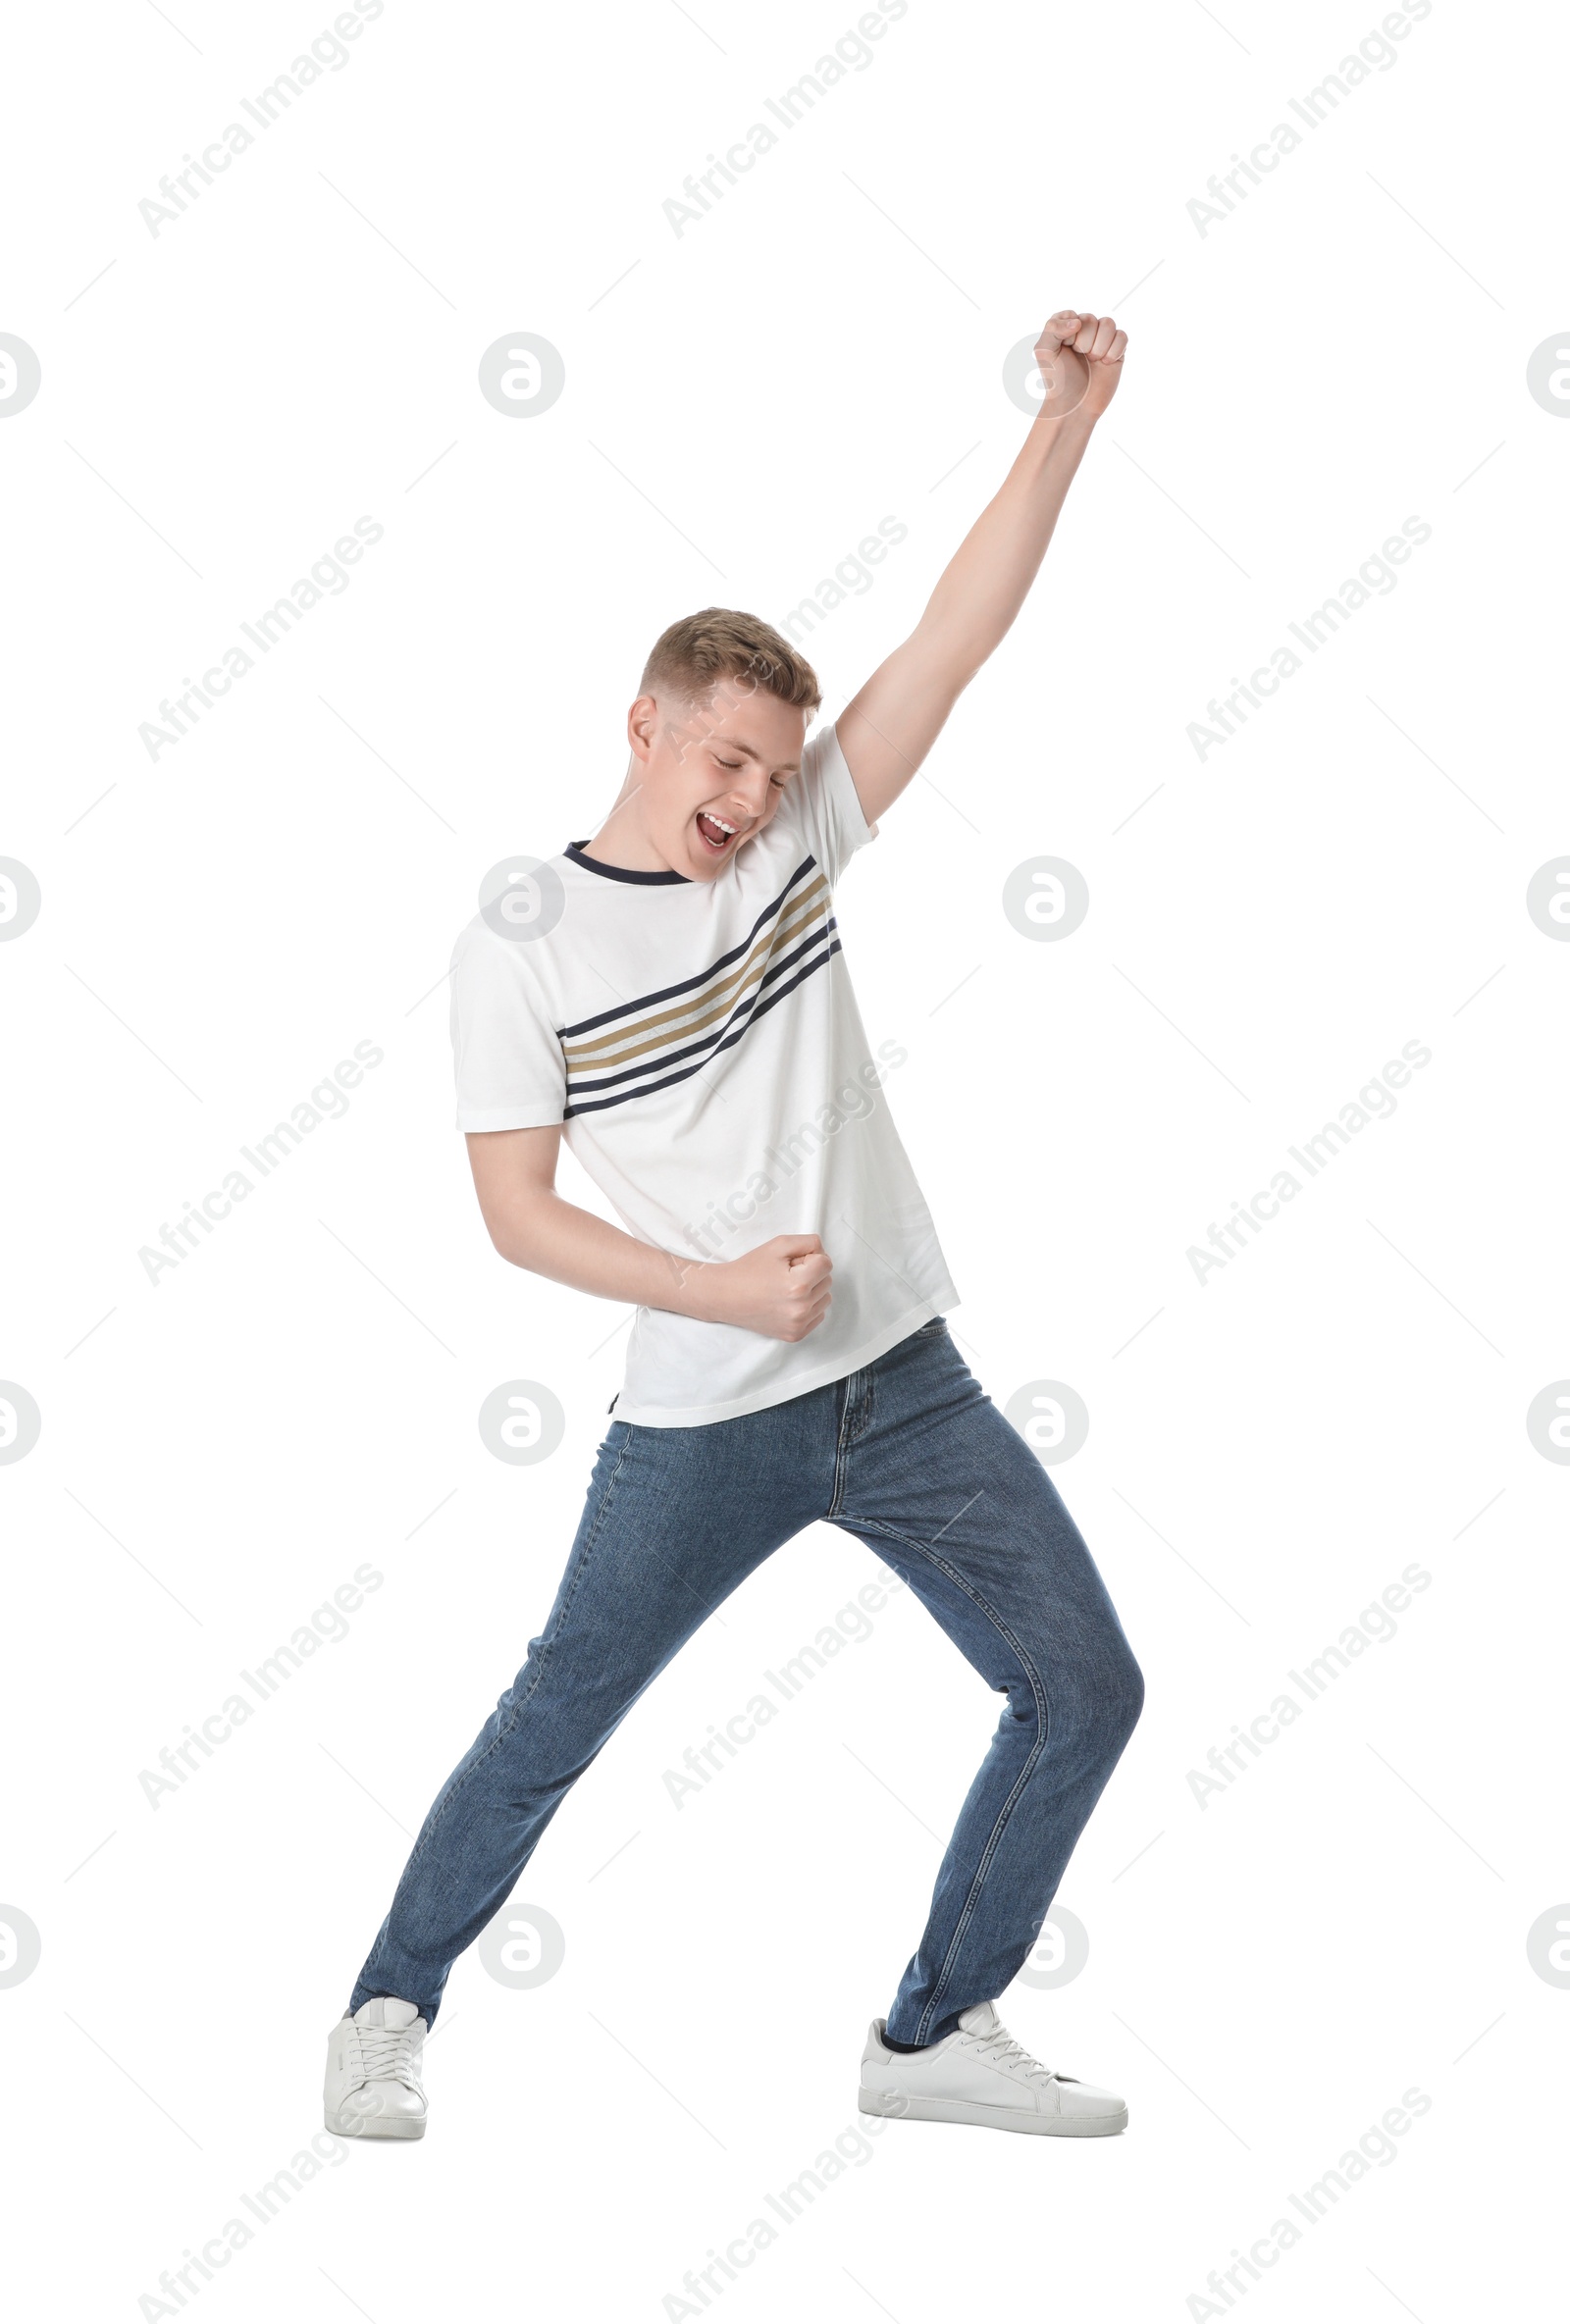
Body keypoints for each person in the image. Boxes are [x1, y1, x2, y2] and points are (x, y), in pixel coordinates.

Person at [324, 308, 1144, 2143]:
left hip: (906, 1383)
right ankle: (388, 2003)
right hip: (707, 1411)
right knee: (557, 1715)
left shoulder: (790, 852)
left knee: (1087, 1681)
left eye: (776, 769)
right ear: (645, 724)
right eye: (724, 760)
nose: (749, 799)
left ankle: (934, 2032)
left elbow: (957, 635)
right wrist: (712, 1287)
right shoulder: (522, 937)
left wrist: (1064, 427)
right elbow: (514, 1215)